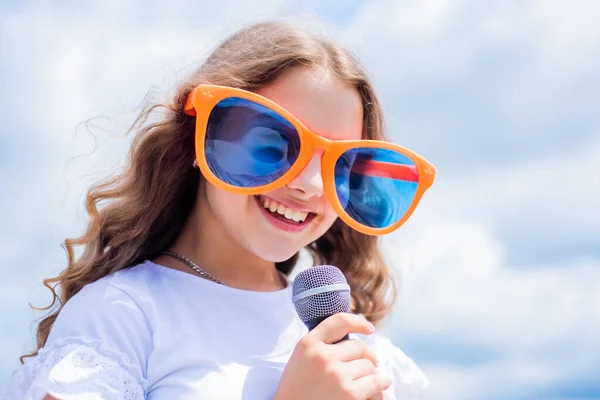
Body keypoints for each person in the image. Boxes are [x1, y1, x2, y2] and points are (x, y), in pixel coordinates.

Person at [2, 20, 436, 400]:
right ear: (200, 136)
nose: (308, 185)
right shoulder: (123, 317)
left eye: (338, 165)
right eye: (272, 145)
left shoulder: (361, 350)